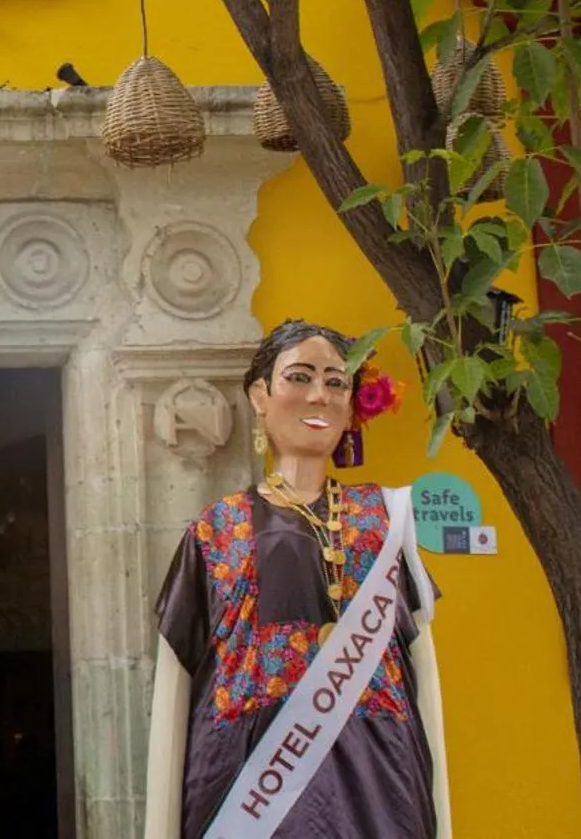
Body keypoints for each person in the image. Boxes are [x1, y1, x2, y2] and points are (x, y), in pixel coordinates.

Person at [144, 320, 451, 838]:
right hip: (245, 795)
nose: (319, 395)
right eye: (300, 376)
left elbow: (425, 681)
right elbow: (173, 690)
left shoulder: (385, 521)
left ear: (354, 404)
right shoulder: (216, 530)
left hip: (380, 791)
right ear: (260, 395)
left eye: (336, 382)